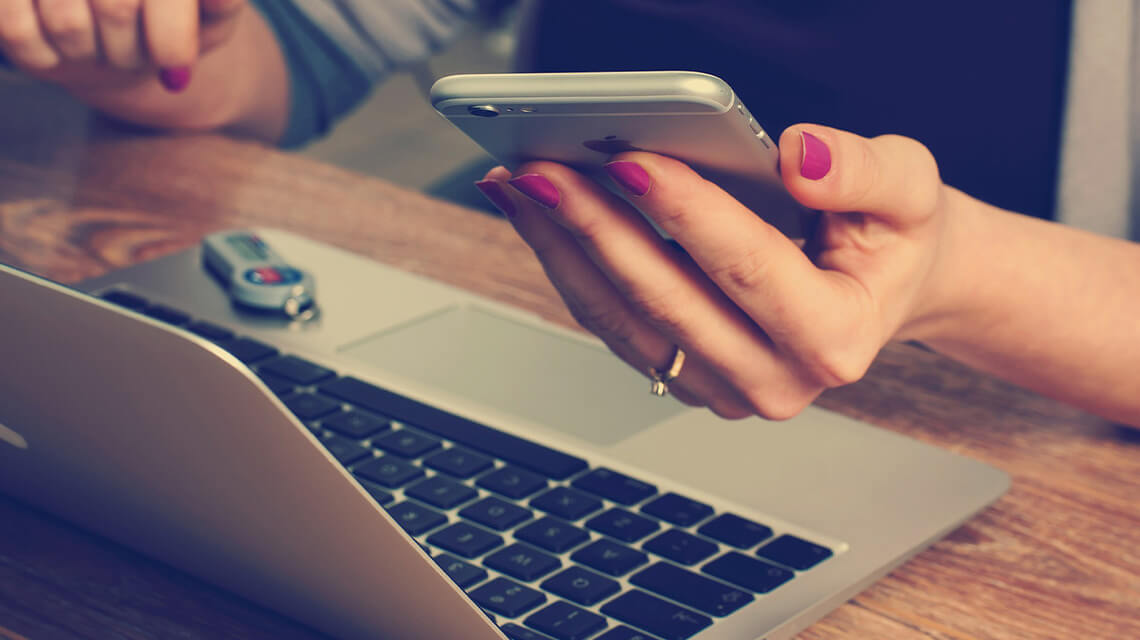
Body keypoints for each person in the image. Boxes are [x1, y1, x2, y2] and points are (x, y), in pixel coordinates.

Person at [2, 0, 1137, 427]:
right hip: (541, 349)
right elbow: (290, 53)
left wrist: (951, 272)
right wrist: (140, 35)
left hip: (1023, 448)